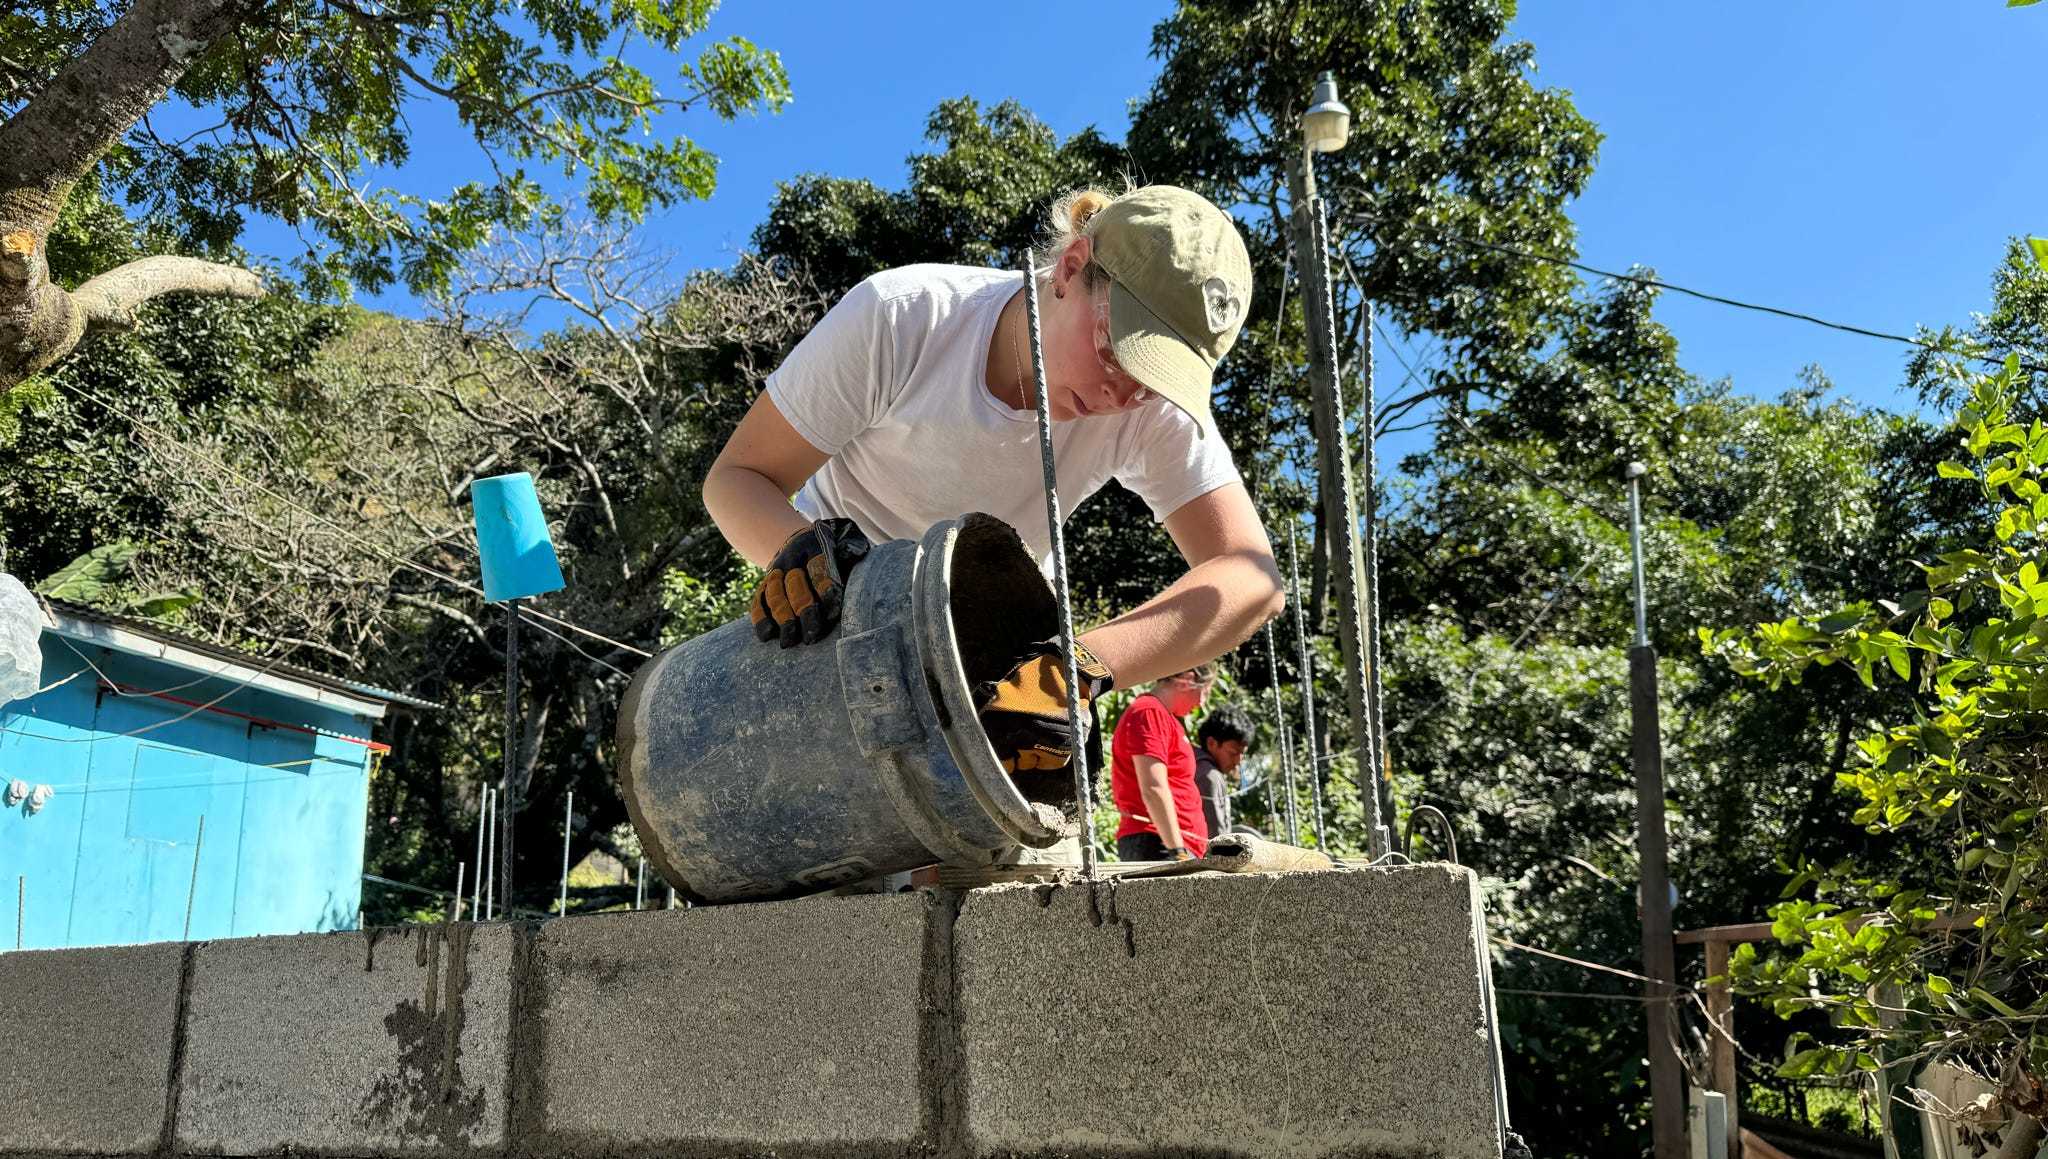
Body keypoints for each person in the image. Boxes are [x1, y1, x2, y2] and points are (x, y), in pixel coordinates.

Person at [703, 184, 1284, 773]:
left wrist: (1075, 669)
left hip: (996, 679)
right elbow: (739, 478)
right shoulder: (906, 317)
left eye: (1155, 379)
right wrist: (797, 551)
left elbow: (1252, 578)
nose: (1124, 394)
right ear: (1071, 267)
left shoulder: (1146, 407)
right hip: (836, 629)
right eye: (1119, 354)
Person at [1108, 666, 1215, 861]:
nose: (1202, 703)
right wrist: (1177, 850)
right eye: (1205, 692)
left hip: (1172, 843)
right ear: (1186, 679)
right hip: (1160, 843)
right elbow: (1153, 787)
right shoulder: (1149, 711)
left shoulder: (1165, 716)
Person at [1192, 707, 1250, 842]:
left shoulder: (1194, 762)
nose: (1238, 761)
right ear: (1211, 743)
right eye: (1233, 753)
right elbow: (1217, 837)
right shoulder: (1210, 776)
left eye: (1242, 754)